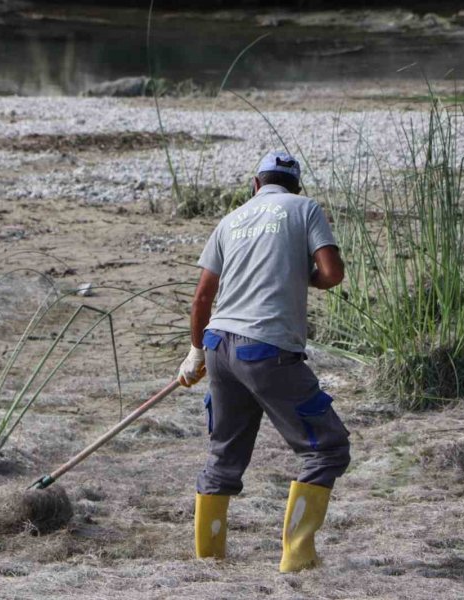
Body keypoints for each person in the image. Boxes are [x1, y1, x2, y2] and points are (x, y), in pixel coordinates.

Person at [177, 150, 351, 573]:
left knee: (224, 455)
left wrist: (195, 351)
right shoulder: (304, 208)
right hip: (266, 349)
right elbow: (332, 273)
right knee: (327, 449)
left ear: (255, 184)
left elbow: (202, 297)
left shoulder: (230, 220)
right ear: (296, 186)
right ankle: (297, 557)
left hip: (219, 345)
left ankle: (209, 559)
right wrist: (300, 274)